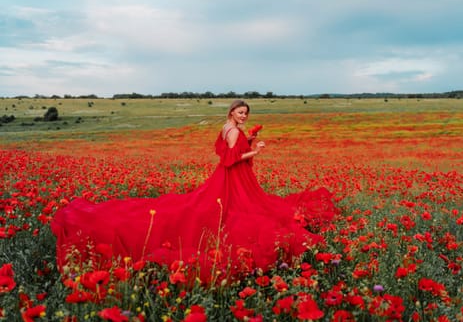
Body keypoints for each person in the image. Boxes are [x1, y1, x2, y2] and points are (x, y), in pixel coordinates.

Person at [51, 100, 337, 284]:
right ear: (231, 113)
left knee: (209, 208)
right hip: (234, 178)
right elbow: (231, 159)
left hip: (227, 178)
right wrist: (254, 152)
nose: (243, 116)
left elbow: (228, 148)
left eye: (246, 113)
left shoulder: (229, 128)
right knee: (235, 214)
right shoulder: (234, 131)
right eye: (240, 112)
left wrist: (248, 140)